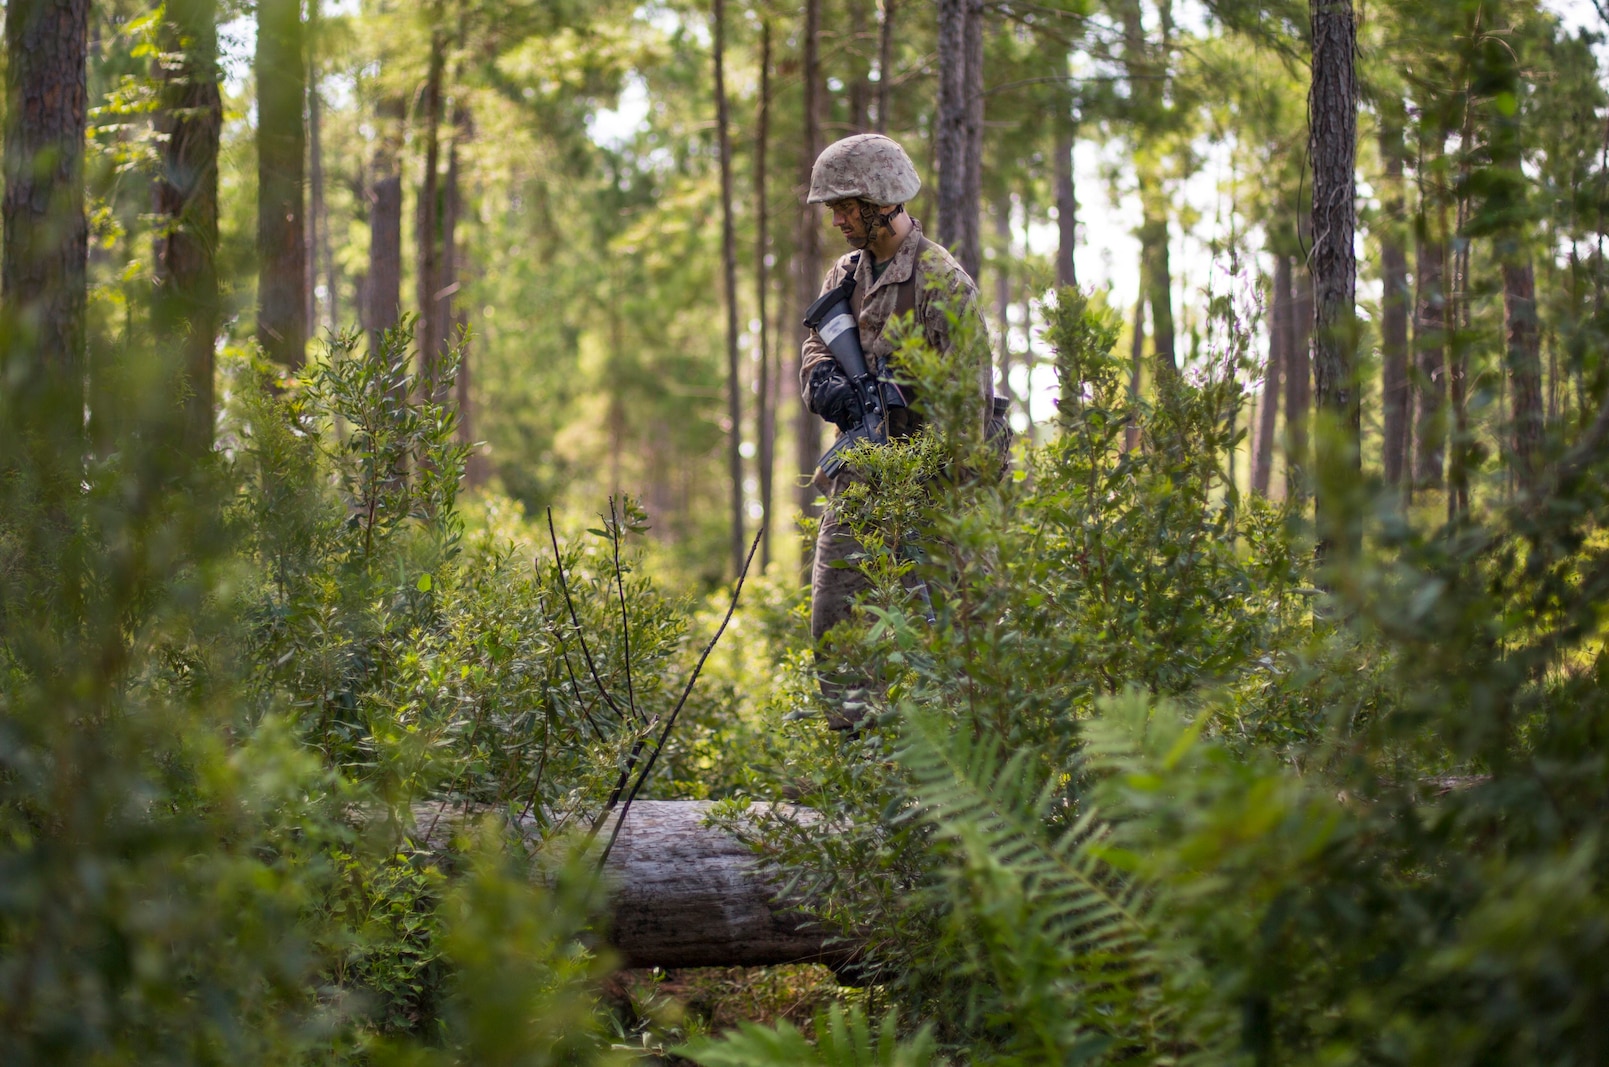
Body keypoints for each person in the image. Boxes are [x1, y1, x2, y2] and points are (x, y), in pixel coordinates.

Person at [798, 133, 995, 730]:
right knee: (836, 616)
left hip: (934, 485)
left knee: (961, 635)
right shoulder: (847, 272)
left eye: (843, 206)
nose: (835, 220)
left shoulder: (944, 283)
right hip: (861, 479)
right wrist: (825, 383)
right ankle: (856, 758)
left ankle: (961, 769)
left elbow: (970, 411)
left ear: (881, 201)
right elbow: (816, 341)